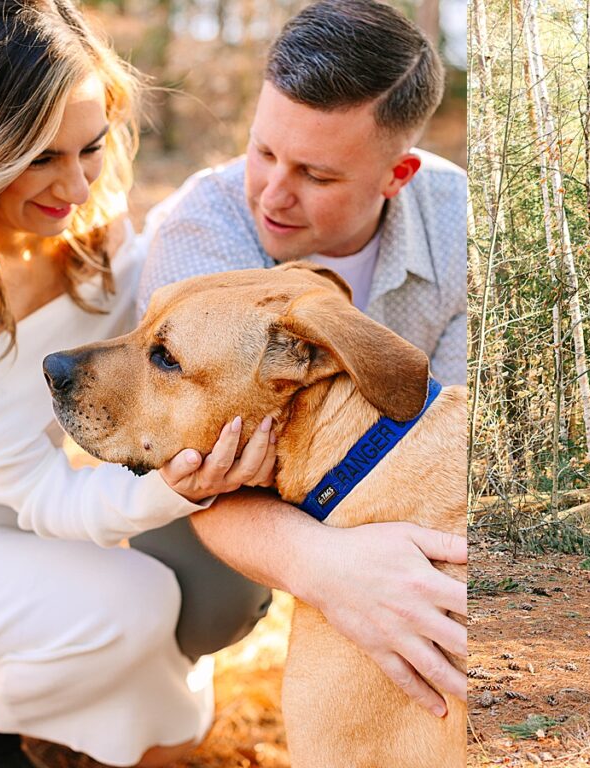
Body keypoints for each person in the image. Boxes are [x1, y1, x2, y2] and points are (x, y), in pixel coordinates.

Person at [0, 1, 287, 765]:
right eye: (39, 158)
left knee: (178, 701)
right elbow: (49, 497)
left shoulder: (99, 244)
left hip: (20, 533)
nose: (74, 186)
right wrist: (180, 486)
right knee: (134, 607)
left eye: (91, 148)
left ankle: (40, 689)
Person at [135, 0, 468, 715]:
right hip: (234, 492)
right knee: (206, 603)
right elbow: (203, 469)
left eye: (317, 176)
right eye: (263, 152)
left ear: (397, 173)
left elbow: (450, 431)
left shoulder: (461, 224)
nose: (274, 196)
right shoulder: (202, 230)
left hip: (402, 496)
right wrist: (327, 568)